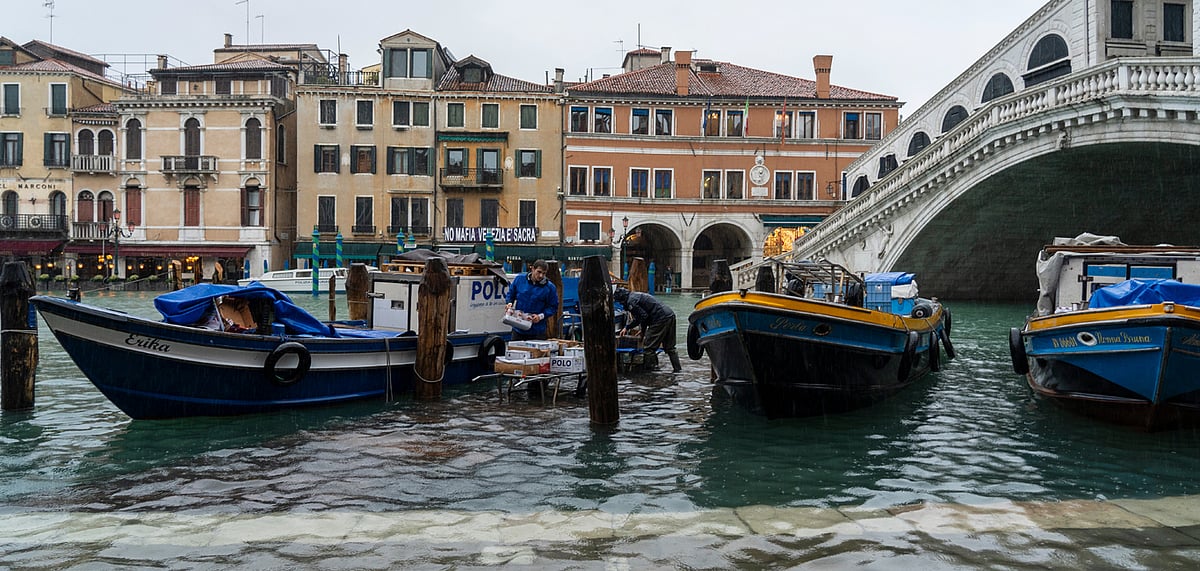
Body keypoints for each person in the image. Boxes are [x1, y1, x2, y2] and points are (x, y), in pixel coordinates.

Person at [613, 287, 682, 372]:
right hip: (670, 315)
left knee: (648, 348)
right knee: (670, 348)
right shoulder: (634, 296)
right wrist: (642, 330)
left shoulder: (631, 302)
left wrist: (628, 327)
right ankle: (677, 370)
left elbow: (643, 317)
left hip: (659, 319)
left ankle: (651, 372)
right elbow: (644, 316)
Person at [505, 259, 558, 340]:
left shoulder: (549, 288)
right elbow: (511, 294)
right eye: (539, 272)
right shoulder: (519, 280)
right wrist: (509, 303)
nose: (541, 276)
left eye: (544, 273)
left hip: (537, 331)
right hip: (518, 328)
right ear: (532, 269)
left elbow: (553, 307)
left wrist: (540, 316)